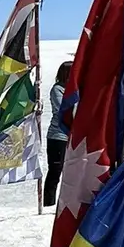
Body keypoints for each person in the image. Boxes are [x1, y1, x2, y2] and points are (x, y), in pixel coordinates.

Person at [42, 60, 73, 206]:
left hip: (73, 136)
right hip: (58, 136)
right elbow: (63, 110)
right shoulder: (58, 90)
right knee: (55, 170)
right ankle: (49, 203)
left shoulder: (76, 89)